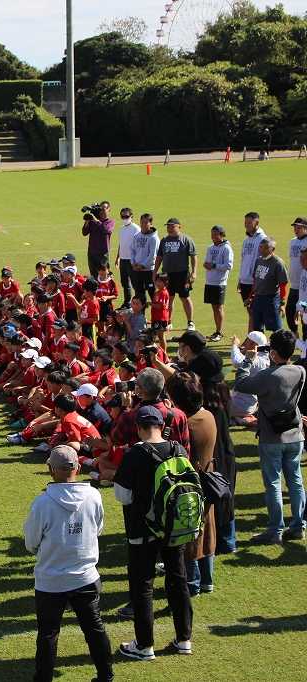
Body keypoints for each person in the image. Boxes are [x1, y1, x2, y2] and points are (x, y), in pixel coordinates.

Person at [24, 444, 113, 682]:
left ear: (51, 470)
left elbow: (31, 543)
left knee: (48, 633)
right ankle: (106, 675)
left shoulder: (42, 503)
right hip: (85, 576)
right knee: (94, 628)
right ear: (78, 468)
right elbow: (98, 529)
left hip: (51, 580)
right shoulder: (94, 496)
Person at [114, 406, 195, 661]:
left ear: (139, 427)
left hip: (143, 529)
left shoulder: (135, 454)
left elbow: (122, 495)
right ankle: (184, 639)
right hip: (174, 526)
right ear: (161, 426)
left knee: (143, 585)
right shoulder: (178, 449)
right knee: (178, 579)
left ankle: (144, 645)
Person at [233, 329, 306, 544]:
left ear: (273, 353)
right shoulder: (300, 371)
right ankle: (298, 525)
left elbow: (241, 383)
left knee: (273, 483)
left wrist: (248, 360)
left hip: (271, 436)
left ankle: (275, 529)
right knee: (296, 480)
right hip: (295, 433)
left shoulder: (267, 376)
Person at [164, 372, 217, 595]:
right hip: (208, 478)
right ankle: (206, 579)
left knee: (189, 533)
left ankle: (192, 583)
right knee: (207, 530)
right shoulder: (208, 415)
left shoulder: (185, 423)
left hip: (189, 485)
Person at [154, 217, 197, 331]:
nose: (169, 228)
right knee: (169, 298)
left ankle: (190, 322)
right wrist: (155, 271)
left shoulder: (186, 239)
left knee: (185, 297)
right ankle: (168, 321)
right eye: (168, 226)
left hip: (182, 274)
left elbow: (193, 256)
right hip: (167, 275)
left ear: (179, 226)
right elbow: (159, 257)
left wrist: (194, 272)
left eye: (172, 226)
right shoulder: (164, 240)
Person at [201, 225, 234, 342]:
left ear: (222, 235)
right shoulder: (210, 248)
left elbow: (229, 265)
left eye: (215, 234)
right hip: (210, 281)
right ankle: (216, 331)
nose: (213, 237)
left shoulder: (226, 248)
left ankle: (219, 332)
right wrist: (206, 264)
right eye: (212, 234)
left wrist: (214, 265)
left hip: (220, 282)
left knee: (219, 308)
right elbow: (207, 262)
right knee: (214, 308)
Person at [248, 237, 289, 332]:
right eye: (261, 247)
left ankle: (278, 342)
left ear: (272, 249)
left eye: (266, 248)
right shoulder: (258, 260)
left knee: (276, 329)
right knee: (257, 328)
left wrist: (282, 303)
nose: (262, 250)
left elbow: (283, 284)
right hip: (258, 298)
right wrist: (251, 296)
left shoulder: (278, 263)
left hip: (271, 300)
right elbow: (256, 280)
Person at [239, 212, 268, 333]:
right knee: (251, 312)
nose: (246, 225)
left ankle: (257, 338)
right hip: (244, 280)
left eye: (249, 222)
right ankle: (252, 337)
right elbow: (243, 259)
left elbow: (265, 261)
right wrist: (240, 279)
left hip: (255, 282)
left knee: (256, 313)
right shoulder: (246, 240)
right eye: (245, 222)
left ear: (257, 223)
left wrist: (259, 281)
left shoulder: (262, 239)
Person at [129, 214, 159, 304]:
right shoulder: (137, 236)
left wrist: (142, 265)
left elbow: (152, 255)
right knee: (139, 295)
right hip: (137, 270)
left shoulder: (154, 238)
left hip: (149, 271)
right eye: (142, 222)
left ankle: (157, 312)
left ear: (151, 224)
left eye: (146, 223)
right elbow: (132, 250)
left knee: (152, 293)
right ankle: (140, 312)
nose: (143, 225)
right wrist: (133, 263)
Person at [285, 218, 307, 336]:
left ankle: (305, 339)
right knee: (289, 311)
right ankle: (295, 334)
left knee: (304, 315)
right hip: (294, 285)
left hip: (304, 286)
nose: (296, 230)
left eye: (299, 227)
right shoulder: (292, 242)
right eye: (295, 227)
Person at [82, 201, 115, 277]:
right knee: (93, 276)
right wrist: (87, 221)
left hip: (102, 254)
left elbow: (105, 230)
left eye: (104, 209)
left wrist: (96, 220)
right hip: (91, 253)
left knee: (104, 276)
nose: (102, 211)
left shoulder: (110, 222)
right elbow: (84, 232)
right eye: (100, 209)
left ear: (109, 210)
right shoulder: (93, 221)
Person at [115, 207, 139, 305]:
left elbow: (138, 245)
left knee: (134, 282)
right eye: (122, 216)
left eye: (126, 216)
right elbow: (121, 244)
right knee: (124, 282)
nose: (124, 218)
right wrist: (118, 257)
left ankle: (138, 302)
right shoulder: (122, 229)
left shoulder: (136, 229)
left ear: (131, 216)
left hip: (132, 260)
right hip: (123, 259)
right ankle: (127, 302)